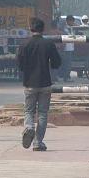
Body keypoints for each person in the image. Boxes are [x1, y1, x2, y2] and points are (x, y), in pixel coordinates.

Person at [17, 18, 61, 152]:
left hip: (29, 83)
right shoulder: (48, 44)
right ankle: (37, 142)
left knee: (29, 110)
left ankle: (29, 127)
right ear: (43, 29)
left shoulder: (24, 44)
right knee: (42, 113)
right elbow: (56, 63)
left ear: (30, 28)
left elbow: (20, 65)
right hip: (45, 83)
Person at [59, 15, 77, 81]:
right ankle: (66, 77)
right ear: (68, 21)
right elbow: (70, 36)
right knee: (67, 64)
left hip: (70, 48)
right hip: (66, 48)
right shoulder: (65, 29)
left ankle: (66, 76)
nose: (73, 23)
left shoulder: (71, 28)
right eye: (72, 21)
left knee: (68, 63)